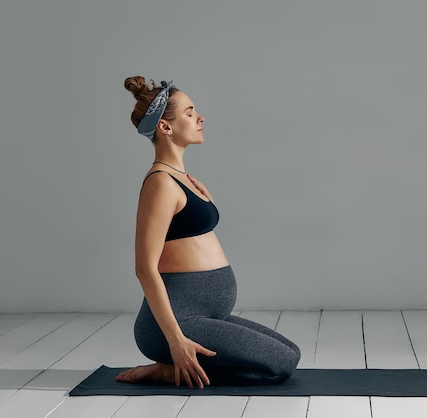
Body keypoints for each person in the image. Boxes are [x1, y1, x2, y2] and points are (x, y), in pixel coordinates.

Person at [115, 76, 300, 388]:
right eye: (189, 112)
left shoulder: (181, 178)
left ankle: (170, 366)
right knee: (281, 365)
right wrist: (175, 340)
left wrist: (207, 203)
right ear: (165, 127)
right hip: (176, 324)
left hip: (207, 316)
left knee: (290, 353)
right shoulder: (160, 183)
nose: (200, 118)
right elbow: (144, 269)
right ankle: (167, 368)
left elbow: (187, 231)